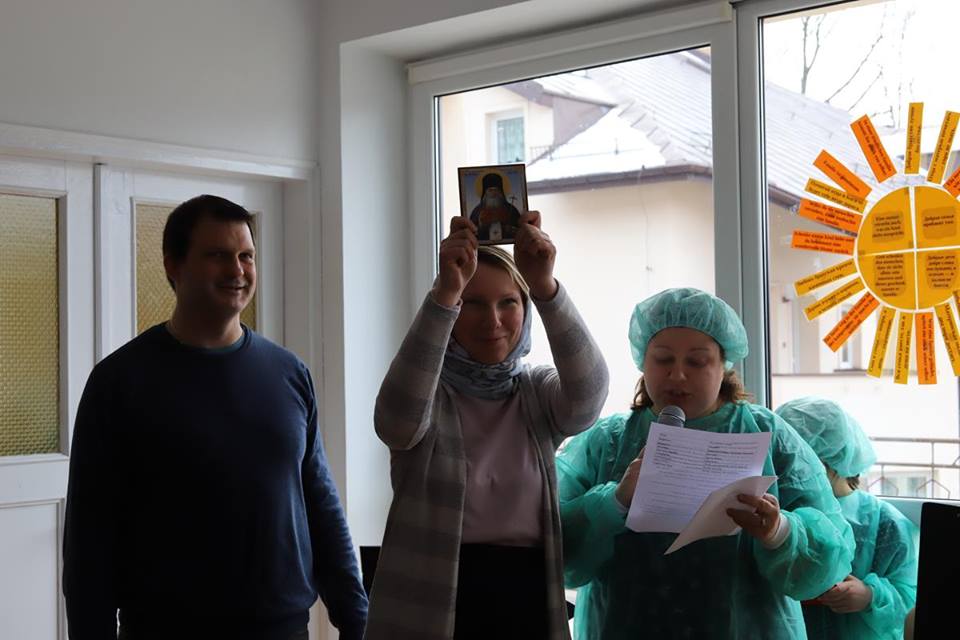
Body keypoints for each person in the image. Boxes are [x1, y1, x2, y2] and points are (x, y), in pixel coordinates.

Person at [63, 195, 367, 640]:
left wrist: (357, 617)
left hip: (282, 627)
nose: (237, 270)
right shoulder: (120, 382)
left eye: (246, 256)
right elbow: (89, 540)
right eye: (218, 255)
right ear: (173, 265)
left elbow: (319, 501)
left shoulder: (289, 373)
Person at [557, 287, 855, 639]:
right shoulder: (607, 442)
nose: (677, 375)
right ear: (642, 362)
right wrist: (615, 501)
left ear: (724, 365)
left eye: (696, 362)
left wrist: (779, 531)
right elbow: (558, 550)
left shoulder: (768, 435)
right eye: (663, 360)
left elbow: (829, 552)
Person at [364, 212, 608, 640]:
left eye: (508, 302)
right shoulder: (429, 393)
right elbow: (395, 423)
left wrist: (545, 287)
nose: (492, 320)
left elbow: (587, 399)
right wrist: (445, 293)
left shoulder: (535, 390)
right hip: (431, 603)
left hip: (526, 598)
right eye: (472, 303)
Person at [775, 397, 919, 639]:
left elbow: (910, 604)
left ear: (832, 461)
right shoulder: (779, 513)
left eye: (800, 462)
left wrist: (870, 596)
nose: (791, 471)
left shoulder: (884, 524)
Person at [469, 172, 522, 242]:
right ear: (485, 193)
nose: (493, 193)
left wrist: (508, 228)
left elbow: (519, 231)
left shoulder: (511, 210)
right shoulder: (477, 211)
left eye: (496, 190)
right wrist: (482, 226)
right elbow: (472, 233)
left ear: (501, 192)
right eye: (490, 190)